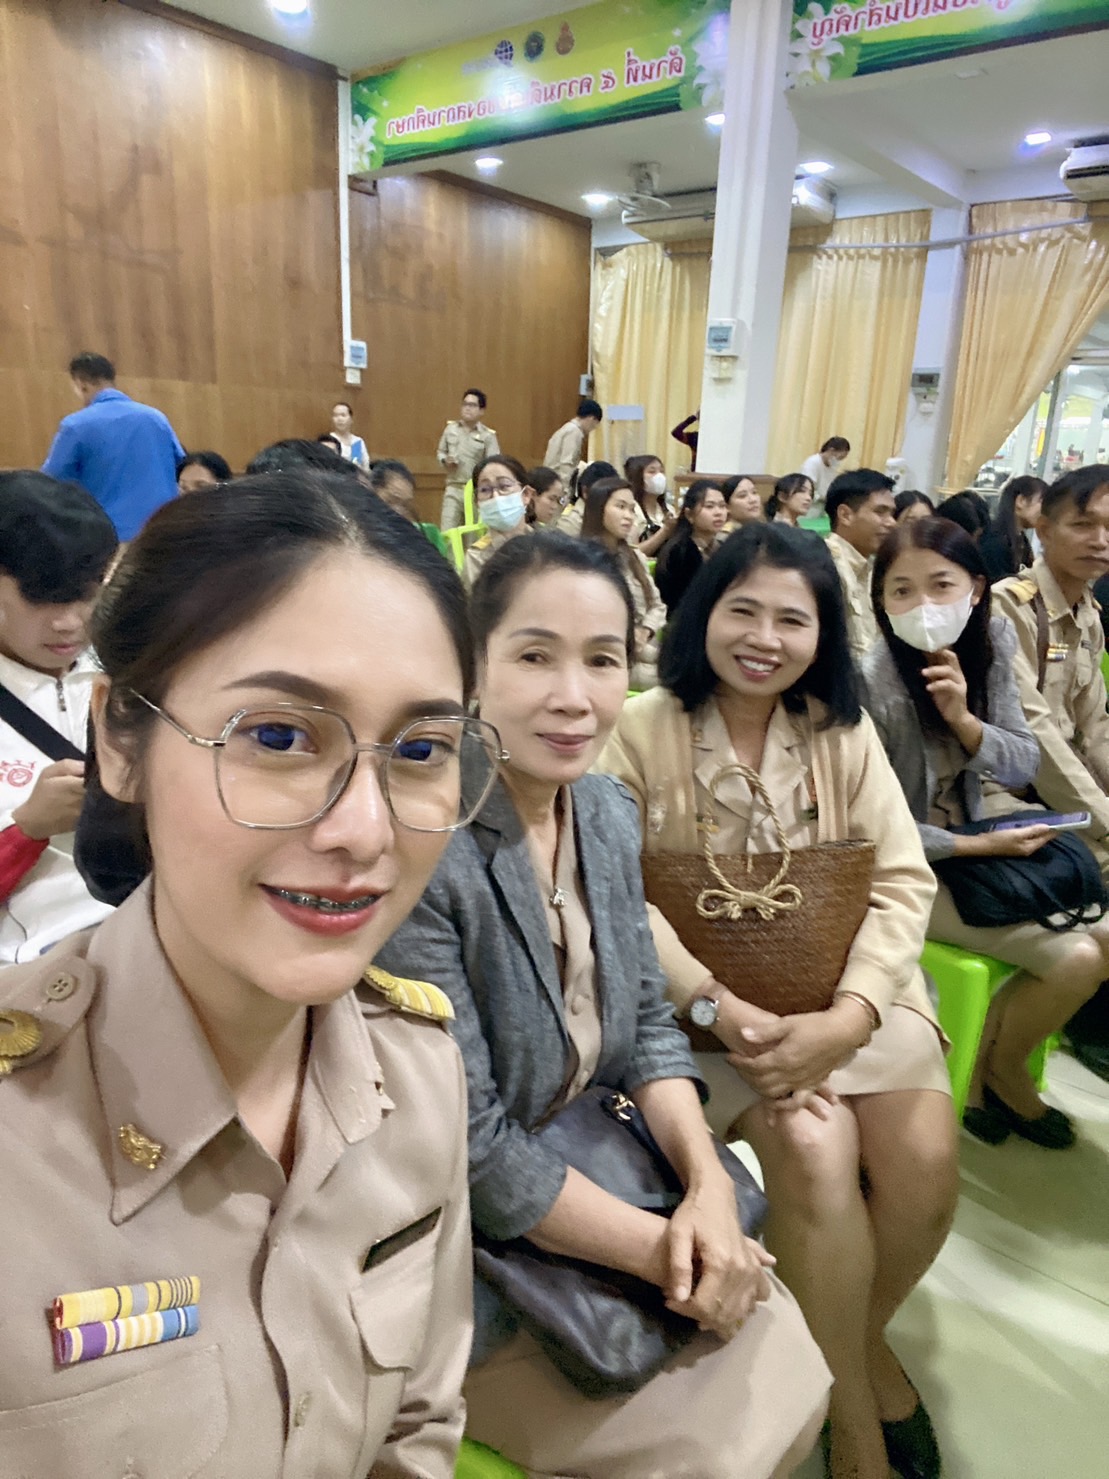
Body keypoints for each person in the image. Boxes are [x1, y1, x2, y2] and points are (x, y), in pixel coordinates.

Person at [0, 471, 490, 1474]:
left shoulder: (419, 1077)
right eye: (277, 736)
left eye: (420, 749)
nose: (364, 831)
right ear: (119, 742)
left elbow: (418, 1426)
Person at [376, 533, 831, 1479]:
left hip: (604, 1174)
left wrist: (708, 1189)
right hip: (470, 1247)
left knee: (795, 1374)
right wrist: (674, 1253)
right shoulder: (425, 842)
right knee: (721, 1449)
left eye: (602, 659)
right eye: (534, 656)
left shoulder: (605, 813)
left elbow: (648, 1025)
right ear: (470, 667)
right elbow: (472, 1145)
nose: (574, 696)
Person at [600, 522, 957, 1479]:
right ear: (702, 612)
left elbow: (901, 882)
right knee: (811, 1142)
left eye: (791, 619)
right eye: (742, 610)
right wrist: (715, 1005)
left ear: (822, 633)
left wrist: (850, 1016)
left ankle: (852, 1341)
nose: (764, 637)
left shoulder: (841, 730)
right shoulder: (638, 728)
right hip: (701, 1019)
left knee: (924, 1162)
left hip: (849, 993)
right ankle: (853, 1419)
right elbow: (615, 895)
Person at [864, 515, 1109, 1148]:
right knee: (1080, 958)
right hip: (910, 866)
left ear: (975, 589)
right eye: (901, 590)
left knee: (1104, 940)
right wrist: (976, 845)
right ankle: (997, 1073)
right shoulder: (872, 683)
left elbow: (1022, 763)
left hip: (981, 836)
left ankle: (991, 1067)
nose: (923, 605)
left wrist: (965, 721)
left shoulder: (992, 639)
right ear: (881, 601)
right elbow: (868, 829)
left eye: (941, 585)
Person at [992, 465, 1109, 1082]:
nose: (1100, 540)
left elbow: (1096, 729)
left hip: (1065, 800)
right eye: (1084, 524)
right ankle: (1086, 1033)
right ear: (1042, 528)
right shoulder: (1008, 608)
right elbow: (1038, 735)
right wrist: (1105, 821)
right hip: (1010, 799)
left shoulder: (1087, 613)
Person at [0, 471, 118, 962]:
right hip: (40, 962)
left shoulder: (132, 670)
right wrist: (27, 828)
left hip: (159, 926)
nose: (68, 622)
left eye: (85, 594)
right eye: (41, 597)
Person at [41, 352, 184, 541]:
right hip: (162, 531)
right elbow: (180, 464)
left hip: (109, 536)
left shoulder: (76, 425)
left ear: (81, 383)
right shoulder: (157, 418)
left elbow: (50, 483)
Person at [581, 477, 667, 690]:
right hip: (608, 655)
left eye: (631, 509)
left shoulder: (634, 557)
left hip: (645, 645)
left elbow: (657, 605)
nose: (628, 516)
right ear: (598, 509)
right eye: (620, 507)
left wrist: (645, 630)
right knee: (675, 681)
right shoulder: (581, 560)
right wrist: (629, 637)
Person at [826, 469, 897, 662]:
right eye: (880, 512)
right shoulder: (824, 565)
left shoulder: (874, 569)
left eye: (892, 514)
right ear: (845, 515)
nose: (891, 523)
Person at [655, 480, 728, 617]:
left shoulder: (723, 547)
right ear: (689, 515)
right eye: (709, 506)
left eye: (722, 506)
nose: (718, 512)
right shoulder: (679, 552)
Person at [463, 456, 532, 591]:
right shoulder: (476, 557)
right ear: (477, 502)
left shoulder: (546, 545)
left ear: (526, 495)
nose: (495, 496)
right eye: (485, 490)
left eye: (504, 486)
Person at [436, 389, 500, 530]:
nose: (467, 408)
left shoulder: (488, 436)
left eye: (472, 405)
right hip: (453, 487)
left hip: (474, 492)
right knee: (447, 531)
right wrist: (445, 461)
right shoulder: (451, 429)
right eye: (465, 404)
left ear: (481, 411)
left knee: (473, 534)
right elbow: (440, 452)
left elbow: (493, 465)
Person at [369, 458, 449, 557]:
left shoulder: (428, 535)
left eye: (405, 505)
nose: (399, 511)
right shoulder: (359, 536)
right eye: (391, 501)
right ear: (371, 494)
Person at [979, 475, 1046, 582]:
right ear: (1021, 501)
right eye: (1042, 502)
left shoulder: (1020, 539)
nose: (1046, 511)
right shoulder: (995, 542)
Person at [624, 453, 677, 556]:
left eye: (661, 471)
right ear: (637, 477)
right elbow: (633, 553)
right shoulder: (631, 510)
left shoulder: (669, 509)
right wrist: (665, 531)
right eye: (652, 472)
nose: (659, 476)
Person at [544, 398, 603, 489]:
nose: (593, 428)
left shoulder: (568, 428)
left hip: (551, 479)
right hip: (557, 482)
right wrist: (565, 489)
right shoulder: (574, 432)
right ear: (592, 418)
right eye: (595, 424)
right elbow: (566, 463)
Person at [556, 458, 617, 538]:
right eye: (605, 494)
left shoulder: (612, 517)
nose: (609, 499)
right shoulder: (569, 523)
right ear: (585, 492)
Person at [800, 436, 851, 515]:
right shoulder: (812, 463)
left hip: (821, 508)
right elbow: (806, 489)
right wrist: (822, 498)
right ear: (831, 450)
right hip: (809, 507)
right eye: (839, 458)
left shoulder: (832, 467)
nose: (839, 461)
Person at [329, 400, 369, 469]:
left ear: (351, 419)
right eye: (336, 415)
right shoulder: (328, 440)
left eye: (343, 415)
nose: (339, 419)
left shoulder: (357, 442)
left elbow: (365, 467)